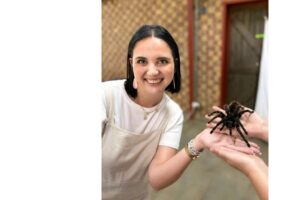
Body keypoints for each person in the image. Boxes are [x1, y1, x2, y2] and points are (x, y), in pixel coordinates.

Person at [101, 25, 261, 200]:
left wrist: (199, 141)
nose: (153, 70)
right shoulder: (103, 96)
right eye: (142, 61)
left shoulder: (173, 113)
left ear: (175, 64)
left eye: (162, 61)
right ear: (131, 63)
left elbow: (156, 179)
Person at [206, 105, 269, 200]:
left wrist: (259, 128)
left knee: (238, 127)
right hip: (229, 116)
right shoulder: (225, 118)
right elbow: (218, 115)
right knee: (220, 114)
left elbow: (240, 126)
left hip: (234, 115)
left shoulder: (237, 119)